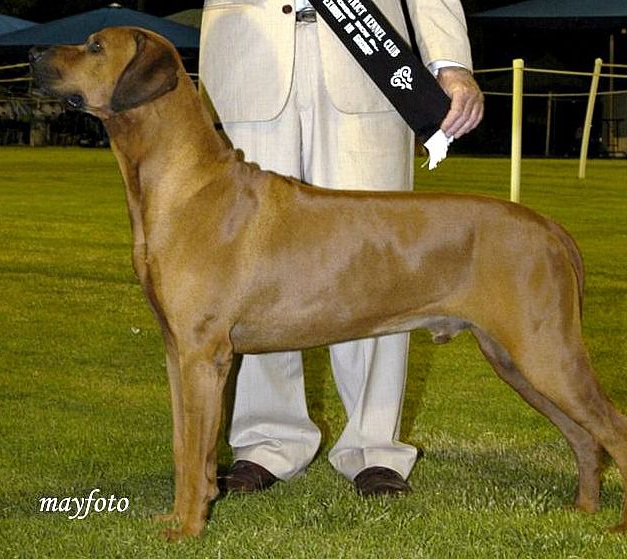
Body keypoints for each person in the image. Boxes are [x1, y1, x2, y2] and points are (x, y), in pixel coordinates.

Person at [198, 0, 484, 496]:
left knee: (376, 267)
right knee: (250, 268)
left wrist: (450, 63)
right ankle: (267, 440)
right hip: (246, 69)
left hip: (371, 62)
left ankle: (373, 448)